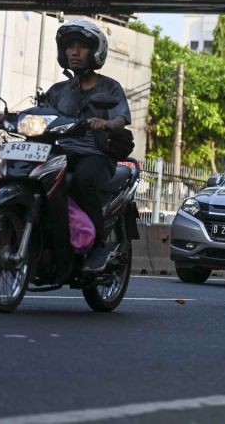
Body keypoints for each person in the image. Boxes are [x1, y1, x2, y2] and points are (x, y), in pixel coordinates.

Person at [45, 19, 131, 273]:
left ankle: (97, 247)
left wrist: (105, 123)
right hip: (63, 153)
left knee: (82, 179)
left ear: (95, 52)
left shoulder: (109, 87)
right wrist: (7, 118)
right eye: (70, 46)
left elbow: (120, 118)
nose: (74, 51)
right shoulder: (57, 90)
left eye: (81, 46)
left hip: (96, 155)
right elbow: (39, 113)